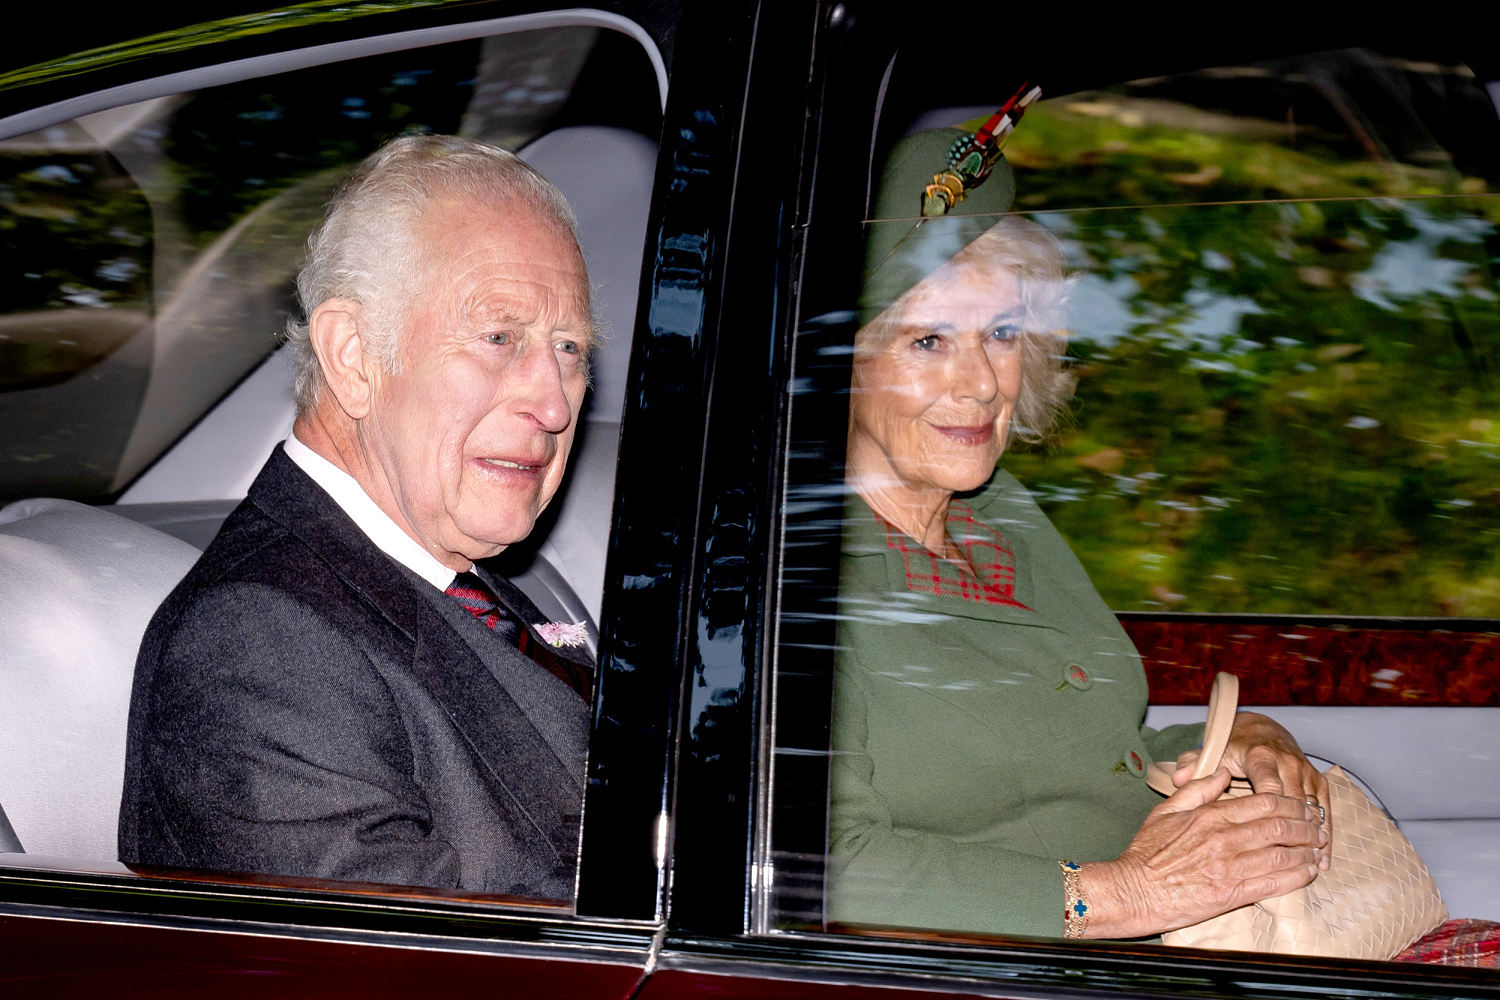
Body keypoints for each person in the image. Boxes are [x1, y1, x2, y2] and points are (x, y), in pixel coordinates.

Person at [828, 128, 1331, 940]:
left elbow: (1084, 749)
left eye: (1001, 332)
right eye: (928, 340)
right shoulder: (795, 579)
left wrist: (1234, 739)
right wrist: (1121, 894)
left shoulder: (1002, 517)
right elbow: (808, 867)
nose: (984, 381)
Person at [118, 135, 596, 898]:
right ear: (352, 355)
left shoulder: (470, 582)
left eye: (569, 347)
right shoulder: (256, 643)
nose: (554, 400)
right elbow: (408, 966)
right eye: (500, 337)